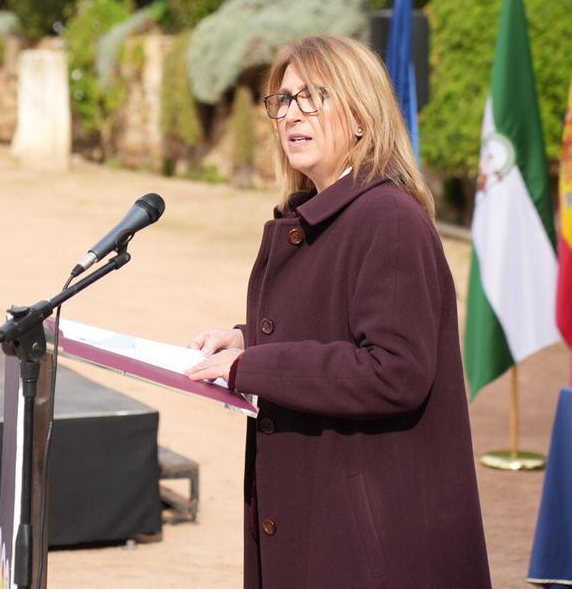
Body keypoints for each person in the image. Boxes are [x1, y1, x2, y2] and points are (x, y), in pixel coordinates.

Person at [186, 35, 491, 588]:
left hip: (373, 542)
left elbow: (393, 370)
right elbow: (334, 327)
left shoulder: (388, 218)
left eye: (311, 97)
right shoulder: (319, 215)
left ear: (361, 116)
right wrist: (248, 340)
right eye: (283, 100)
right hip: (322, 514)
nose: (290, 114)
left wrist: (255, 367)